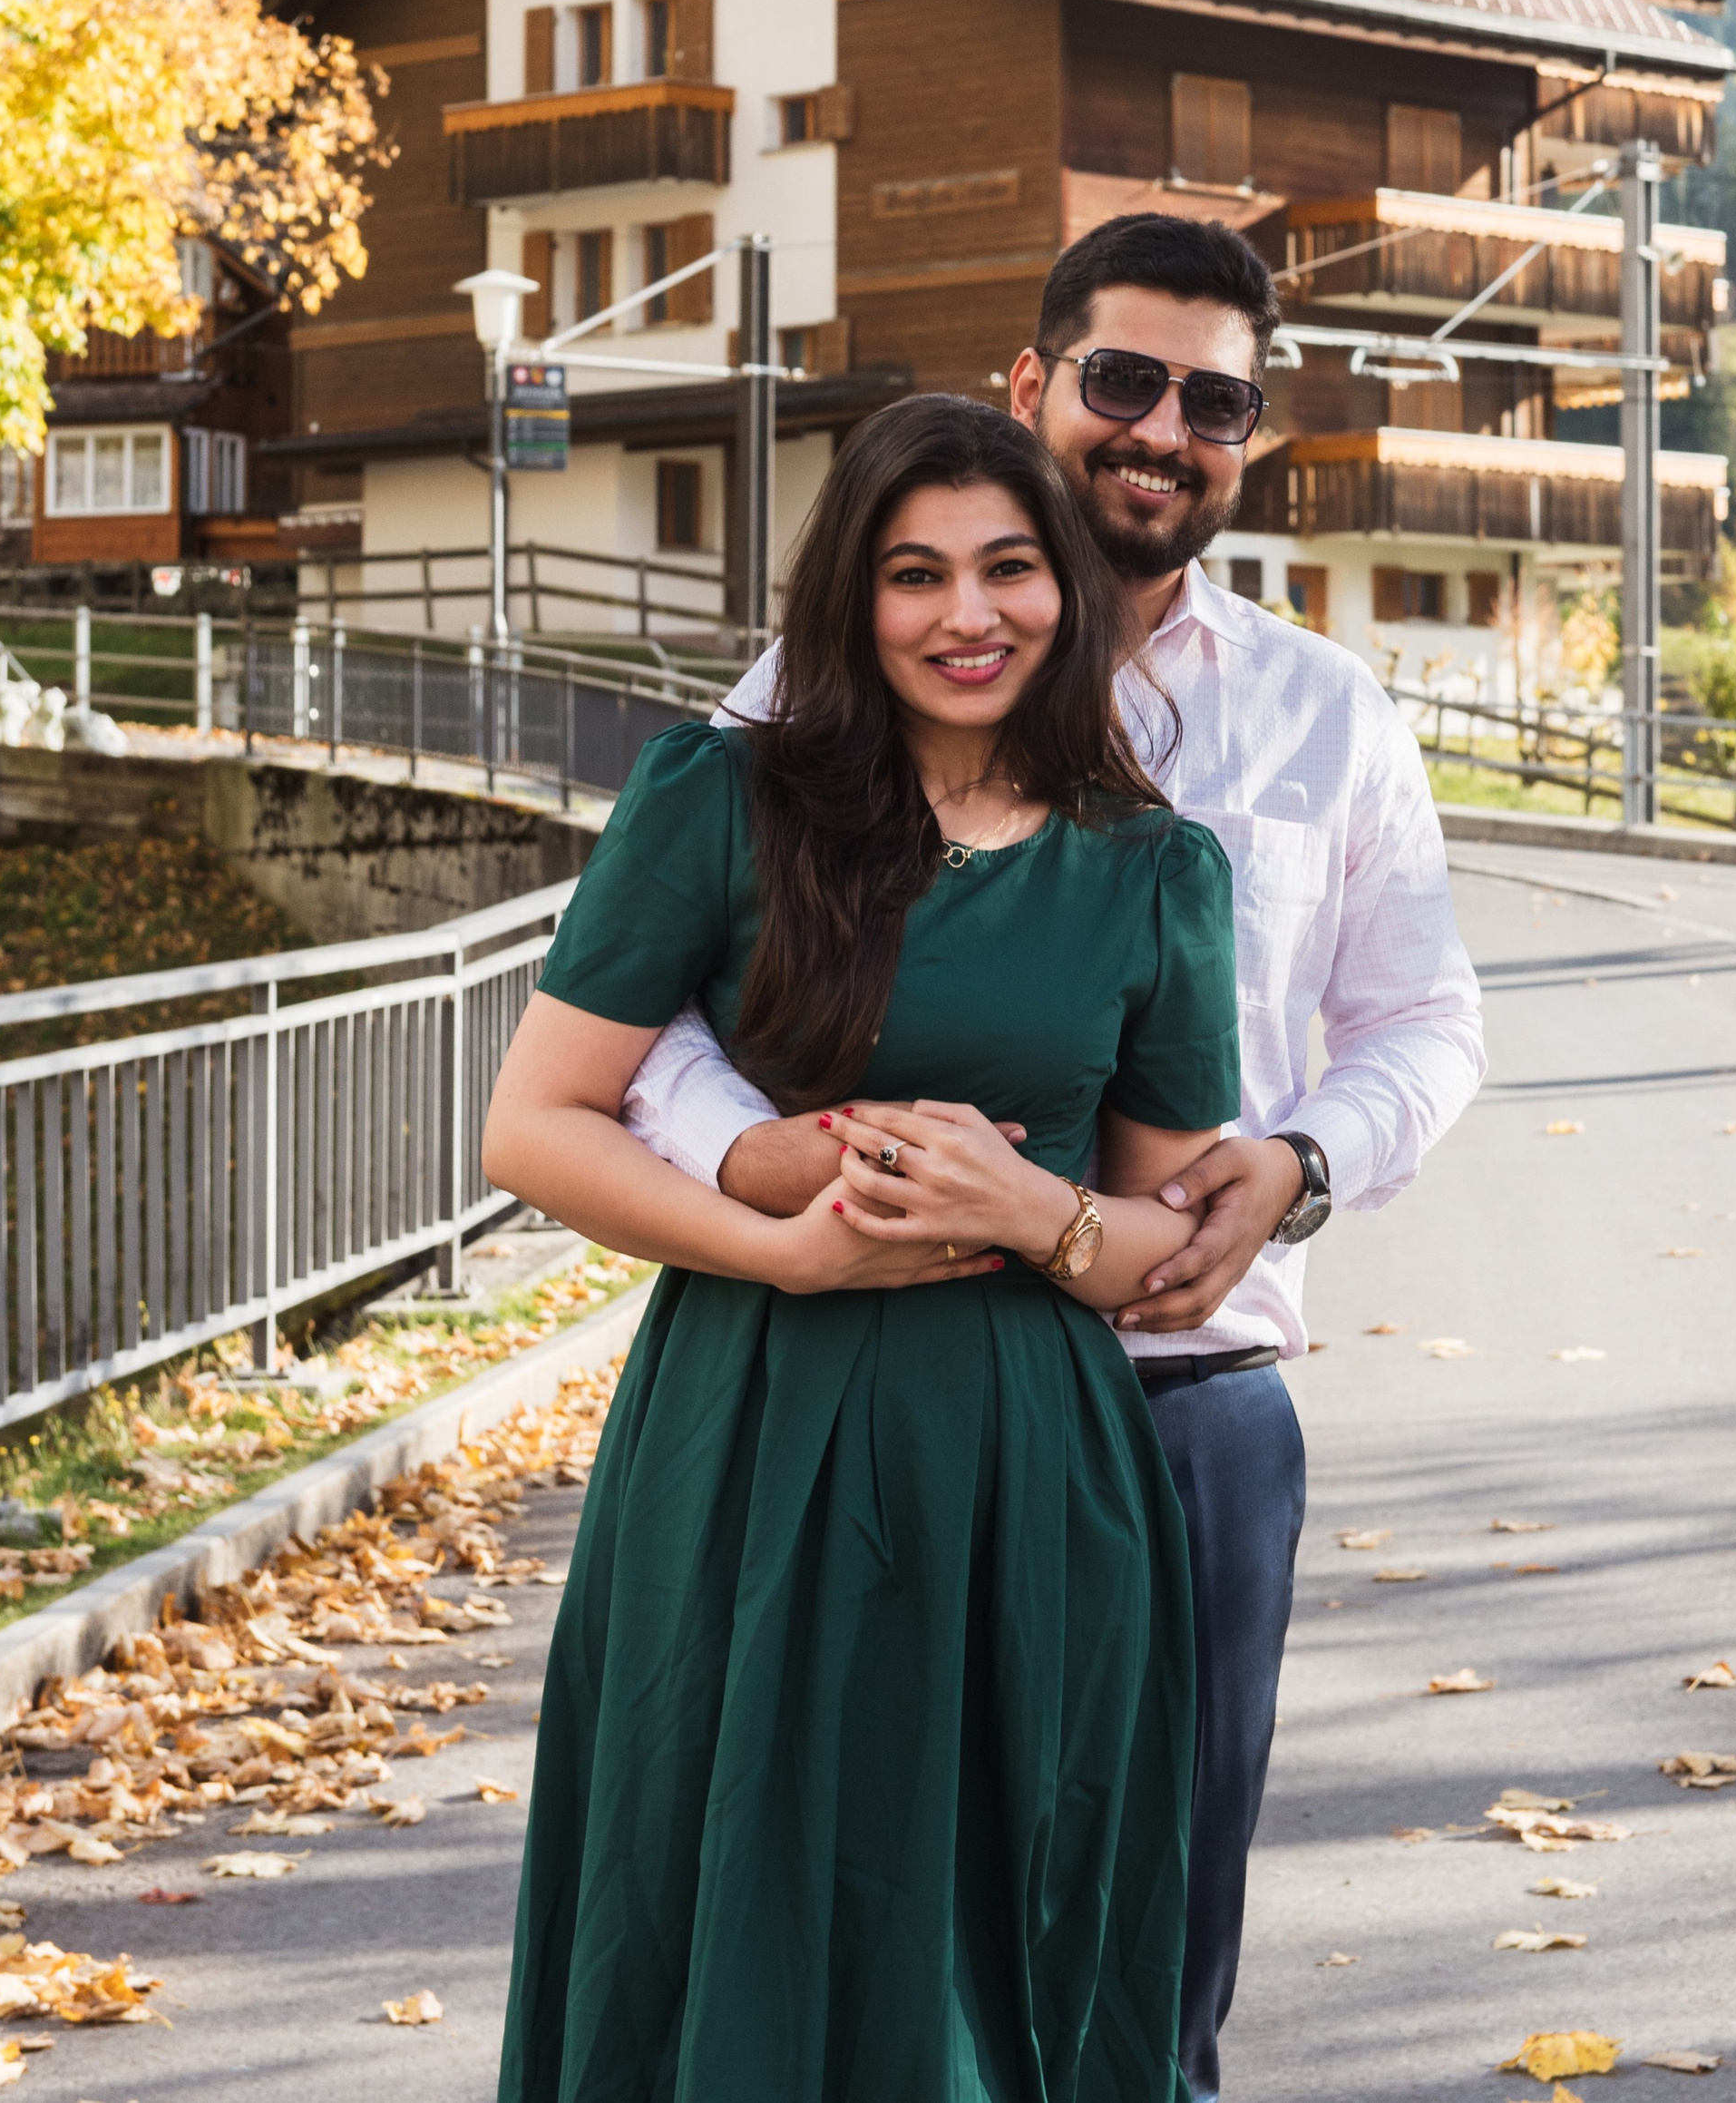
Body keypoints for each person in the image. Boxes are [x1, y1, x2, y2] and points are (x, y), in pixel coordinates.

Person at [627, 212, 1487, 2103]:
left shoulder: (1321, 713)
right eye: (1120, 379)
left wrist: (1295, 1161)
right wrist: (770, 1161)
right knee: (838, 1938)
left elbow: (1423, 1022)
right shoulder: (803, 699)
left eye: (1213, 400)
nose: (1159, 427)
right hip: (875, 1372)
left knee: (1132, 1961)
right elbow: (647, 1019)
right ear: (1031, 386)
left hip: (1179, 1396)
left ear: (1246, 440)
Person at [483, 391, 1242, 2103]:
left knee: (989, 1921)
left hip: (1026, 1460)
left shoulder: (1156, 870)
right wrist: (782, 1257)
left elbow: (1168, 1240)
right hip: (747, 1422)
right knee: (716, 1872)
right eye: (915, 575)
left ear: (1069, 588)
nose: (967, 616)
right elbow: (537, 1122)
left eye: (1008, 568)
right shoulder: (723, 796)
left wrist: (1033, 1213)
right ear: (853, 597)